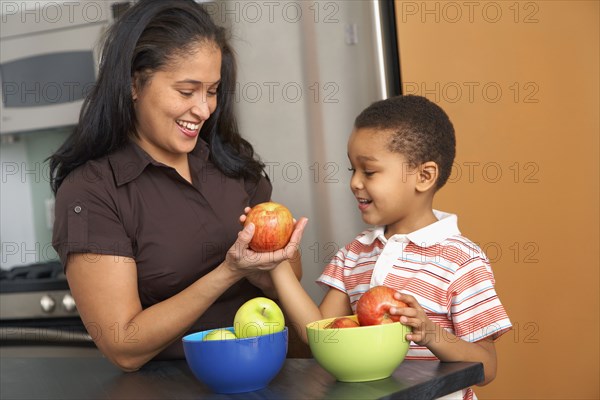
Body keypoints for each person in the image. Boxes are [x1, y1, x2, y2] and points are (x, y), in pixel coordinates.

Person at [49, 0, 307, 372]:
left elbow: (287, 280)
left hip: (272, 373)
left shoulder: (231, 164)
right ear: (134, 84)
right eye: (186, 92)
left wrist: (265, 268)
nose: (203, 110)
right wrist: (228, 271)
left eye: (213, 91)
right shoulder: (91, 192)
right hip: (174, 386)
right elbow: (124, 346)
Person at [269, 95, 512, 400]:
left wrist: (431, 334)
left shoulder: (462, 260)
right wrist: (277, 264)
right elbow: (320, 336)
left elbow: (487, 367)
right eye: (351, 170)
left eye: (368, 172)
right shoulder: (354, 254)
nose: (355, 183)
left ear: (423, 177)